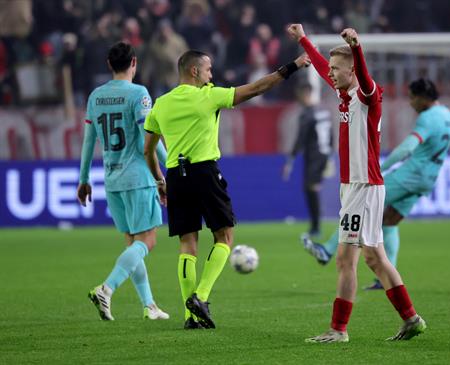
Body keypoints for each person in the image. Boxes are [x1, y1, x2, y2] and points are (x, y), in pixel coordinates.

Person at [143, 49, 310, 329]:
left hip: (176, 175)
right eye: (208, 70)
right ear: (195, 71)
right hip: (204, 171)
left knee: (187, 243)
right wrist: (292, 66)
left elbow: (148, 150)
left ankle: (190, 317)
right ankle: (202, 297)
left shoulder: (161, 104)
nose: (212, 74)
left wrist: (160, 180)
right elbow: (258, 88)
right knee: (224, 236)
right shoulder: (209, 96)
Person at [288, 24, 426, 343]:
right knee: (375, 257)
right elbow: (324, 68)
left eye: (339, 69)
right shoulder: (344, 92)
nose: (331, 74)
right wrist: (305, 41)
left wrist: (357, 47)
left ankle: (338, 329)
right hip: (354, 187)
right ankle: (411, 319)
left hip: (363, 186)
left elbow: (364, 79)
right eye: (333, 69)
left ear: (353, 70)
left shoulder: (368, 95)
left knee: (345, 259)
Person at [303, 79, 450, 291]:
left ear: (422, 97)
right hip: (428, 179)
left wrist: (380, 169)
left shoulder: (427, 118)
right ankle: (382, 280)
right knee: (389, 221)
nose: (411, 103)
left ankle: (327, 250)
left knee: (360, 204)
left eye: (412, 98)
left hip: (410, 175)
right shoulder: (447, 115)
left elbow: (407, 149)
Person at [77, 41, 169, 321]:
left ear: (108, 64)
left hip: (111, 178)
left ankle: (149, 305)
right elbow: (148, 139)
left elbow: (89, 140)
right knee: (148, 240)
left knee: (133, 243)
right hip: (138, 177)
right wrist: (167, 169)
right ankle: (107, 287)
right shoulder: (139, 94)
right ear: (134, 63)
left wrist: (83, 179)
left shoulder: (95, 96)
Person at [282, 83, 334, 238]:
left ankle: (316, 227)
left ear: (305, 94)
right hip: (323, 155)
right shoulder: (323, 112)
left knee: (310, 189)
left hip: (313, 156)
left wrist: (290, 160)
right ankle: (315, 226)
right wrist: (330, 156)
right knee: (312, 188)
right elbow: (331, 135)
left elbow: (300, 138)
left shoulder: (306, 114)